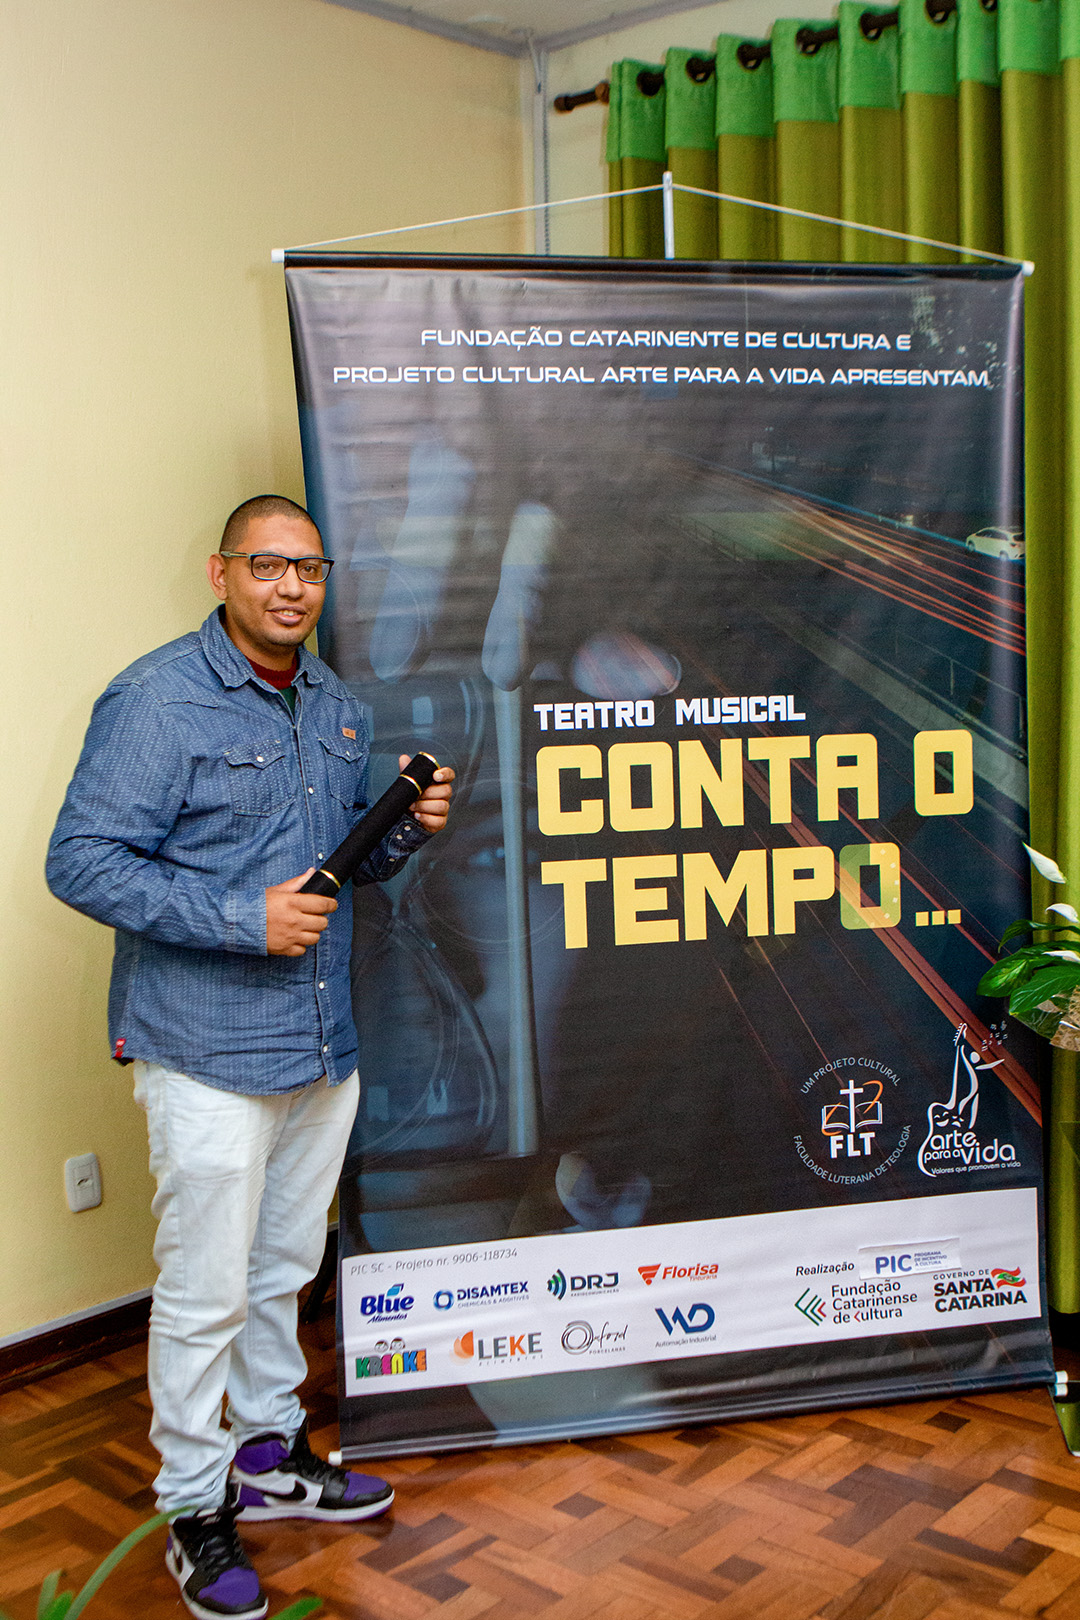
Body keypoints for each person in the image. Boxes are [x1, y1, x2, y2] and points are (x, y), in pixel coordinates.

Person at [46, 495, 454, 1620]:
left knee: (281, 1272)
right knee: (204, 1294)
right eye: (268, 566)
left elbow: (340, 872)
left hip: (320, 1045)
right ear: (222, 573)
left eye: (309, 570)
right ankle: (193, 1504)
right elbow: (80, 861)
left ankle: (270, 1455)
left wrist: (406, 827)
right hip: (204, 1051)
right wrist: (240, 917)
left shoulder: (335, 704)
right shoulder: (156, 698)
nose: (291, 587)